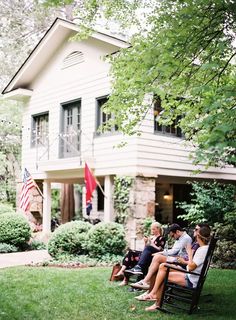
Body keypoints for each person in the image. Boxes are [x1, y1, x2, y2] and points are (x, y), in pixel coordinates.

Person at [140, 225, 211, 312]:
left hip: (191, 279)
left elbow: (191, 267)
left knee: (163, 275)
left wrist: (188, 255)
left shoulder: (202, 250)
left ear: (199, 236)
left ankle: (156, 302)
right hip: (191, 274)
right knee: (163, 266)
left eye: (196, 231)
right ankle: (153, 293)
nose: (194, 233)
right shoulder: (203, 248)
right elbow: (192, 265)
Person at [130, 223, 192, 290]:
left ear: (177, 231)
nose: (172, 238)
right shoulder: (180, 238)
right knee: (154, 258)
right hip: (175, 258)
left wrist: (160, 253)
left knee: (157, 257)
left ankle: (145, 281)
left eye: (173, 236)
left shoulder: (186, 238)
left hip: (180, 262)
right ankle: (147, 283)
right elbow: (173, 251)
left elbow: (174, 251)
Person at [115, 222, 165, 286]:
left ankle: (137, 268)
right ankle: (123, 272)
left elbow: (160, 250)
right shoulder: (151, 237)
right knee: (131, 252)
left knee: (147, 248)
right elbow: (145, 249)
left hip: (153, 256)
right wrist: (146, 242)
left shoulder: (161, 238)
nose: (152, 231)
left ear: (158, 229)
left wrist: (151, 243)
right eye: (151, 229)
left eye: (153, 229)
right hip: (145, 255)